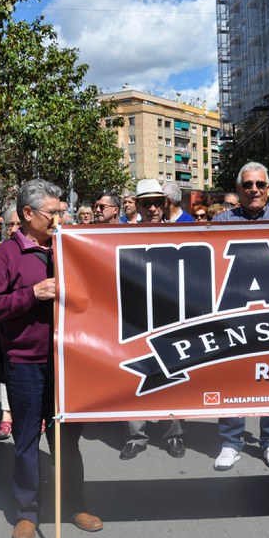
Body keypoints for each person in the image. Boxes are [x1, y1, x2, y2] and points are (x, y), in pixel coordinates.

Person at [0, 179, 102, 538]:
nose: (59, 217)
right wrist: (31, 294)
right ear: (28, 213)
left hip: (68, 360)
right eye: (53, 212)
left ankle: (75, 504)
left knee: (67, 440)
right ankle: (27, 512)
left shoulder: (70, 247)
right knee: (27, 440)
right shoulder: (6, 254)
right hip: (25, 363)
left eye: (62, 211)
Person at [211, 162, 269, 471]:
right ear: (238, 189)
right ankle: (231, 442)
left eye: (260, 184)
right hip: (234, 315)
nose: (254, 190)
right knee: (232, 377)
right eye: (248, 185)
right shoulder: (221, 221)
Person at [120, 180, 186, 460]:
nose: (152, 208)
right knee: (134, 376)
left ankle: (174, 434)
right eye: (146, 203)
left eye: (157, 202)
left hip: (172, 313)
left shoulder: (181, 233)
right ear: (137, 205)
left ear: (165, 204)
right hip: (134, 315)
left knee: (173, 374)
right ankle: (136, 437)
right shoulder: (121, 235)